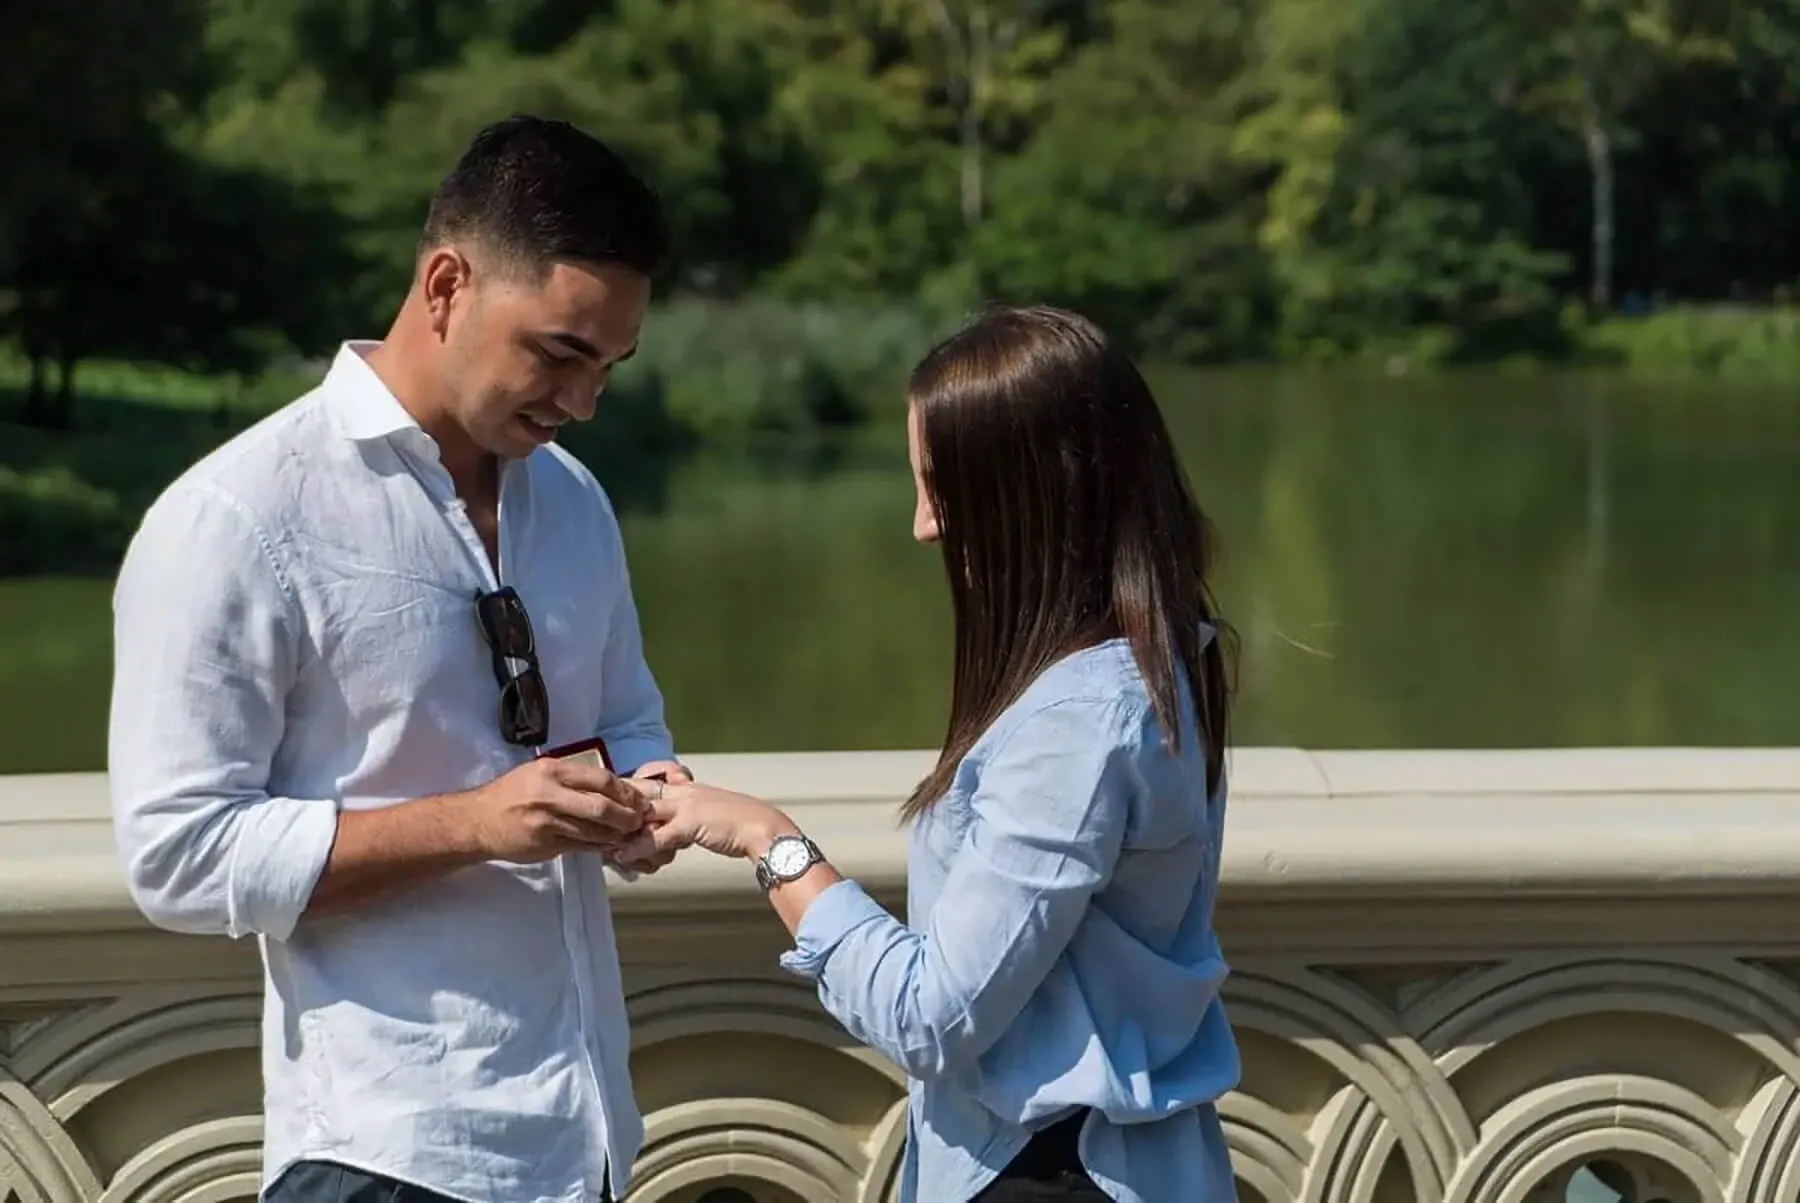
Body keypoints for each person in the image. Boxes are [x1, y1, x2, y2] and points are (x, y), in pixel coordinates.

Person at [108, 115, 686, 1203]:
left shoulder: (575, 500)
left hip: (591, 1141)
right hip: (383, 1156)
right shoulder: (237, 516)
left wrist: (648, 795)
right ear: (445, 284)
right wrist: (478, 823)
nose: (584, 404)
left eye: (609, 365)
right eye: (561, 353)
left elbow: (631, 720)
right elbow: (175, 854)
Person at [614, 305, 1243, 1203]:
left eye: (941, 489)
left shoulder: (1079, 722)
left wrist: (769, 840)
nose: (923, 526)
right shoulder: (1157, 662)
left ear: (1034, 493)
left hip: (1052, 1170)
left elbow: (929, 1014)